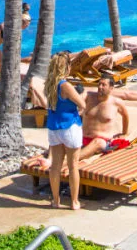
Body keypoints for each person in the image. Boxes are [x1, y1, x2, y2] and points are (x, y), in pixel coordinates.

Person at [45, 52, 86, 210]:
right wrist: (82, 96)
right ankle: (74, 202)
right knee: (73, 165)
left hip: (53, 127)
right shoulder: (65, 86)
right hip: (69, 127)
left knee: (55, 166)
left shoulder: (49, 85)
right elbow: (82, 104)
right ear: (66, 68)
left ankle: (56, 200)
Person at [0, 3, 32, 94]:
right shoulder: (10, 27)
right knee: (2, 65)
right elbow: (8, 45)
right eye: (27, 24)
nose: (27, 26)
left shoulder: (13, 24)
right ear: (22, 22)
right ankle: (3, 88)